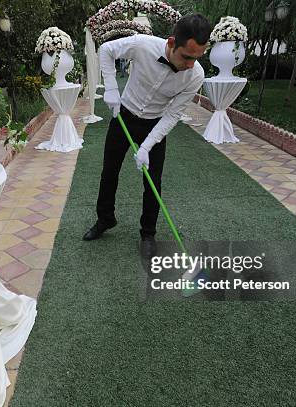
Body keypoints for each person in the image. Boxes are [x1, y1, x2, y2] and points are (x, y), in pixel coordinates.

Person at [82, 14, 211, 258]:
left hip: (156, 124)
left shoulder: (195, 75)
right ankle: (105, 219)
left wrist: (147, 145)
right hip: (124, 117)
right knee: (109, 172)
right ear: (172, 42)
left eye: (197, 58)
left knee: (153, 182)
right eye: (187, 56)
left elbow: (173, 115)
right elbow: (106, 50)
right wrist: (110, 87)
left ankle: (148, 233)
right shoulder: (142, 44)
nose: (191, 64)